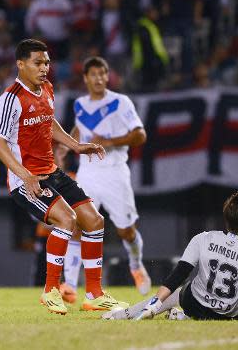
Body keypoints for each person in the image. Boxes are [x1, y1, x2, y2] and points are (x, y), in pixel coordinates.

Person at [0, 38, 127, 315]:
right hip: (26, 181)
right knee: (67, 219)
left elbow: (48, 120)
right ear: (21, 64)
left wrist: (76, 145)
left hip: (52, 171)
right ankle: (51, 290)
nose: (44, 68)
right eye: (37, 62)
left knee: (95, 220)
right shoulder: (11, 97)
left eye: (47, 62)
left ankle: (94, 294)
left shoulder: (47, 89)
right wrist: (25, 175)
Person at [104, 190, 238, 322]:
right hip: (231, 313)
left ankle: (124, 314)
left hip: (195, 303)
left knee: (180, 291)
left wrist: (155, 300)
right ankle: (181, 315)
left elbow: (179, 273)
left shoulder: (203, 238)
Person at [66, 56, 151, 296]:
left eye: (103, 74)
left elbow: (140, 135)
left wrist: (109, 142)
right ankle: (70, 286)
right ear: (85, 78)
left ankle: (136, 265)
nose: (99, 78)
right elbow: (79, 128)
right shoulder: (79, 104)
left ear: (107, 76)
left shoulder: (120, 102)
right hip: (87, 172)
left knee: (126, 230)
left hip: (114, 173)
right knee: (77, 224)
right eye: (93, 74)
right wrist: (66, 146)